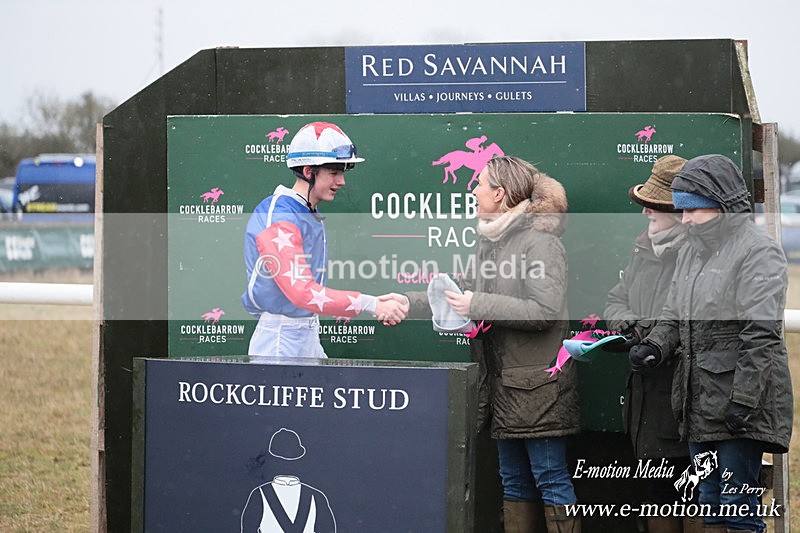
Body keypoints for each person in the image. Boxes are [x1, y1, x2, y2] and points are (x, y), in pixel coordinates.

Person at [404, 156, 579, 533]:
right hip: (503, 389)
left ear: (499, 195)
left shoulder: (541, 242)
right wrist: (406, 302)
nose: (474, 189)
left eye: (480, 183)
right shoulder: (490, 240)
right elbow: (464, 293)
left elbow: (545, 310)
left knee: (551, 481)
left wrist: (479, 304)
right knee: (514, 484)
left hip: (540, 390)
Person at [629, 154, 793, 533]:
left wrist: (745, 401)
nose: (684, 219)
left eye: (692, 211)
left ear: (723, 206)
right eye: (681, 211)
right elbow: (674, 312)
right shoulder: (691, 248)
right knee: (710, 503)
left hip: (739, 405)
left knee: (738, 506)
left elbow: (761, 335)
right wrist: (654, 346)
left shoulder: (758, 252)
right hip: (700, 402)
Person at [242, 121, 407, 357]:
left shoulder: (302, 210)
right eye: (334, 173)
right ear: (309, 172)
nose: (342, 181)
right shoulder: (281, 214)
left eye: (342, 172)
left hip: (304, 333)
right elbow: (302, 292)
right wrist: (371, 304)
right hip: (280, 341)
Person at [604, 155, 702, 533]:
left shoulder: (696, 255)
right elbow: (615, 299)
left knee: (693, 502)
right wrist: (625, 325)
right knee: (654, 501)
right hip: (644, 402)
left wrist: (640, 334)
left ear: (678, 212)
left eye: (655, 206)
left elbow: (680, 317)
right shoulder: (643, 249)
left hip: (682, 402)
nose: (646, 212)